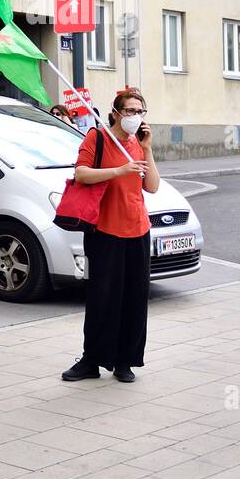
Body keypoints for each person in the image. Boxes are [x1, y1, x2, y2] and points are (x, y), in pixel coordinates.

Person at [62, 90, 162, 384]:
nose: (136, 117)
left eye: (141, 111)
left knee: (134, 298)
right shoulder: (99, 138)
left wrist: (149, 149)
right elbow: (81, 174)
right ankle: (91, 360)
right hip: (105, 231)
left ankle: (124, 361)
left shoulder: (139, 143)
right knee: (102, 298)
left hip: (138, 229)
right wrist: (119, 169)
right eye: (130, 111)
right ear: (116, 113)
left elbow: (152, 187)